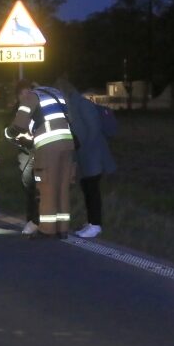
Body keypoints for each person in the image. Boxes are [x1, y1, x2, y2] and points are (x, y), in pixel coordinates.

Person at [5, 79, 75, 239]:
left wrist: (8, 133)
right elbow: (69, 118)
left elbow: (20, 124)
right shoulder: (56, 94)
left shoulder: (31, 97)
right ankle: (62, 229)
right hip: (67, 143)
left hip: (49, 146)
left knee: (46, 187)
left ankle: (47, 230)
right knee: (62, 187)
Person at [56, 77, 117, 239]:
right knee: (88, 189)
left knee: (92, 190)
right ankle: (92, 223)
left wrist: (81, 146)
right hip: (85, 156)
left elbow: (93, 130)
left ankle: (95, 225)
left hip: (93, 156)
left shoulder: (82, 104)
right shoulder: (72, 106)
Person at [9, 79, 40, 236]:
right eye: (23, 93)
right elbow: (12, 131)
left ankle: (36, 220)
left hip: (38, 150)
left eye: (29, 92)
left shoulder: (37, 108)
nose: (26, 96)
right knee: (28, 186)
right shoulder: (17, 110)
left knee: (38, 187)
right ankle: (32, 219)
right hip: (25, 152)